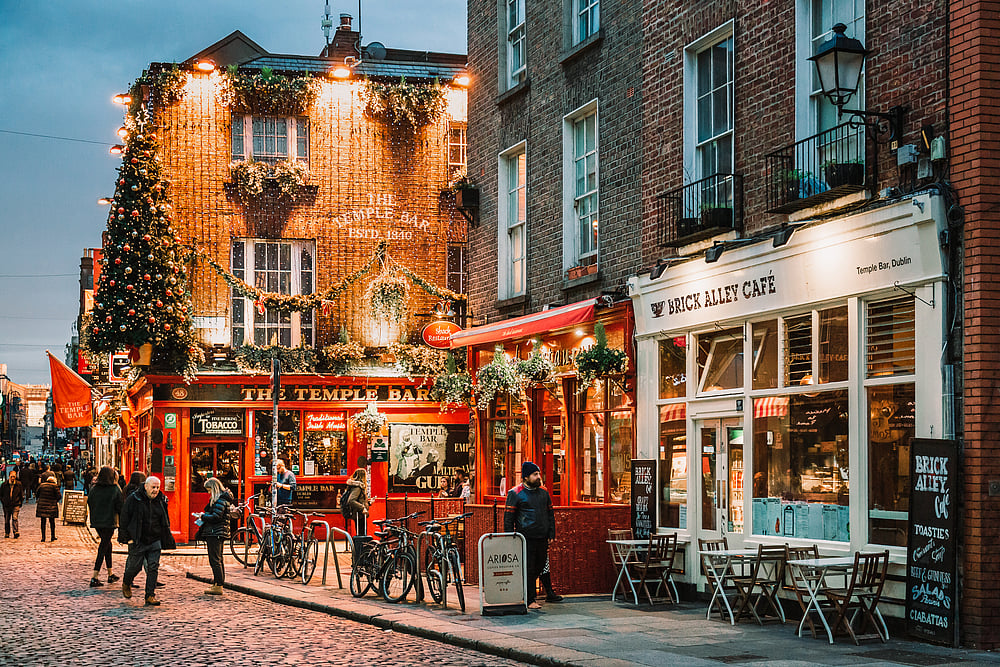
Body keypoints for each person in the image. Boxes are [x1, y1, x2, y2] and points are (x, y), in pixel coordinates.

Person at [504, 461, 555, 609]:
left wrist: (551, 532)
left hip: (542, 536)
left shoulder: (544, 492)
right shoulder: (515, 493)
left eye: (538, 473)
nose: (538, 477)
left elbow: (550, 514)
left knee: (539, 566)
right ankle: (529, 598)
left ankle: (529, 595)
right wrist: (510, 537)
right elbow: (509, 518)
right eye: (535, 474)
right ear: (526, 477)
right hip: (525, 536)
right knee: (529, 568)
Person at [119, 475, 175, 606]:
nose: (155, 490)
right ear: (145, 487)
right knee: (135, 567)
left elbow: (164, 519)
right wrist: (127, 538)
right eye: (153, 487)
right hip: (138, 539)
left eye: (157, 487)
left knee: (153, 567)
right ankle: (127, 582)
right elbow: (124, 518)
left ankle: (150, 595)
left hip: (155, 539)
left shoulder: (161, 499)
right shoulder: (134, 498)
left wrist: (165, 536)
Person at [87, 467, 124, 587]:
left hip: (97, 521)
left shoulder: (94, 488)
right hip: (109, 521)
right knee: (103, 546)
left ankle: (110, 573)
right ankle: (94, 576)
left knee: (107, 544)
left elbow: (89, 502)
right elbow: (120, 506)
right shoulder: (115, 489)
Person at [198, 477, 234, 596]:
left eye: (209, 490)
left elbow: (216, 517)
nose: (208, 493)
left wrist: (203, 516)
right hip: (217, 532)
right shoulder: (221, 500)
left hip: (216, 532)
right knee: (217, 559)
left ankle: (218, 585)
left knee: (215, 559)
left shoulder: (220, 500)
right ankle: (217, 583)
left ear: (213, 489)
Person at [342, 468, 370, 536]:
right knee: (361, 533)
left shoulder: (358, 487)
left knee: (362, 532)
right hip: (359, 514)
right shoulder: (357, 487)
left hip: (360, 514)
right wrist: (362, 508)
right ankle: (359, 546)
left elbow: (359, 500)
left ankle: (360, 546)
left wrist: (368, 503)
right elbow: (351, 500)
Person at [35, 473, 61, 542]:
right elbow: (59, 496)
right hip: (51, 506)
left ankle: (43, 537)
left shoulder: (42, 485)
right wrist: (55, 500)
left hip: (42, 506)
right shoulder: (55, 486)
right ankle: (52, 536)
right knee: (52, 522)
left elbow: (37, 494)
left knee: (43, 522)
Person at [1, 470, 24, 538]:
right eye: (12, 477)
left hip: (16, 504)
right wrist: (4, 502)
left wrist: (20, 503)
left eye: (14, 476)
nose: (13, 478)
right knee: (7, 519)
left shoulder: (18, 484)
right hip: (7, 505)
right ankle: (7, 532)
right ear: (9, 476)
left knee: (14, 518)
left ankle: (15, 531)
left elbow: (21, 494)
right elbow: (1, 494)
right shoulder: (4, 484)